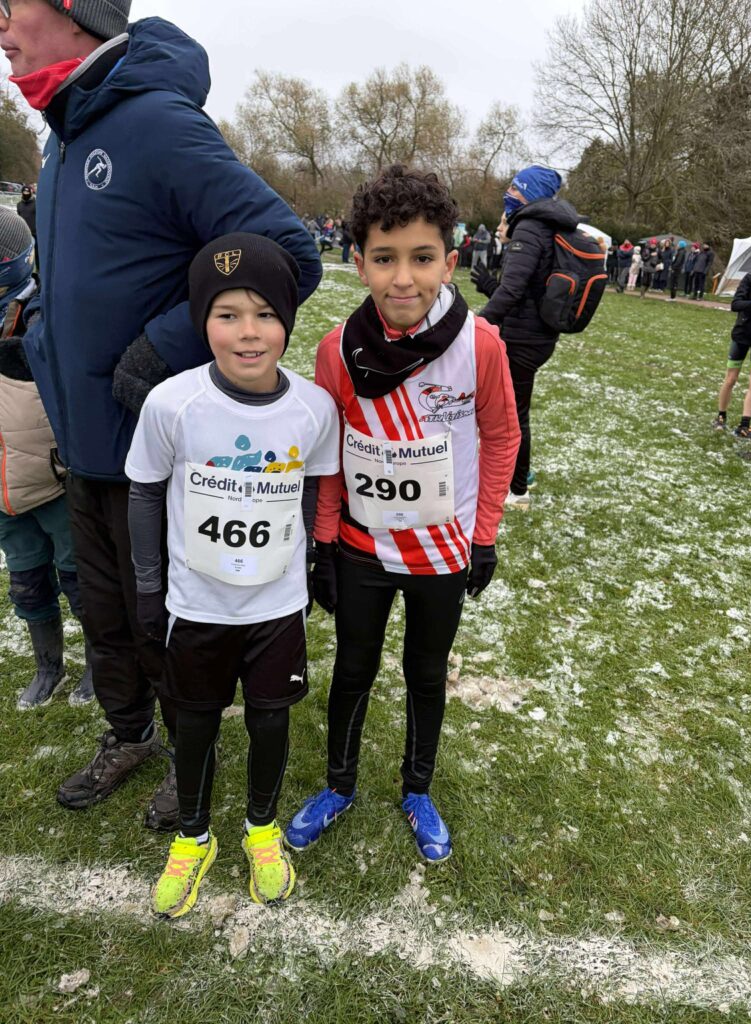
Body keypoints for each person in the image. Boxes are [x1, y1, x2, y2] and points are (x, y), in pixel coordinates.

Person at [1, 0, 322, 829]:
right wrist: (37, 338)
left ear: (73, 10)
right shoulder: (60, 133)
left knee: (164, 621)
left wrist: (165, 349)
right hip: (82, 446)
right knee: (104, 618)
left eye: (9, 6)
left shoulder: (153, 122)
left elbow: (287, 251)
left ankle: (190, 756)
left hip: (153, 451)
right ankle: (128, 734)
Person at [286, 165, 519, 864]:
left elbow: (503, 436)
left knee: (426, 672)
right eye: (384, 259)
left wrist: (484, 535)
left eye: (422, 258)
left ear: (449, 262)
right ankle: (339, 784)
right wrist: (324, 543)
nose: (403, 279)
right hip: (362, 549)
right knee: (352, 669)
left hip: (443, 551)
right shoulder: (336, 350)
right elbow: (330, 455)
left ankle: (418, 790)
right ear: (359, 263)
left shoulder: (480, 344)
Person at [126, 233, 339, 917]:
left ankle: (261, 829)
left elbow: (312, 488)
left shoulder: (313, 408)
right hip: (199, 605)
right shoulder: (172, 403)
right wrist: (150, 589)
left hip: (275, 606)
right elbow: (144, 492)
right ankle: (193, 836)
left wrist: (313, 560)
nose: (249, 333)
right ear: (202, 321)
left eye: (266, 314)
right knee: (195, 723)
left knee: (270, 720)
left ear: (287, 321)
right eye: (227, 315)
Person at [0, 207, 93, 710]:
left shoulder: (40, 311)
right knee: (27, 581)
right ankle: (48, 666)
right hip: (4, 488)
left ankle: (98, 661)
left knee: (78, 577)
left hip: (52, 477)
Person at [471, 164, 579, 509]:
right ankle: (519, 477)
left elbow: (514, 291)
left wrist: (476, 326)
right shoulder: (542, 225)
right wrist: (490, 287)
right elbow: (525, 291)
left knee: (513, 415)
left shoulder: (530, 226)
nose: (509, 193)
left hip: (524, 339)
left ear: (530, 194)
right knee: (512, 411)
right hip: (534, 334)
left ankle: (518, 489)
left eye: (516, 188)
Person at [712, 252, 751, 439]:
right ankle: (721, 416)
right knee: (731, 378)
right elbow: (736, 304)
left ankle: (745, 425)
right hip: (743, 334)